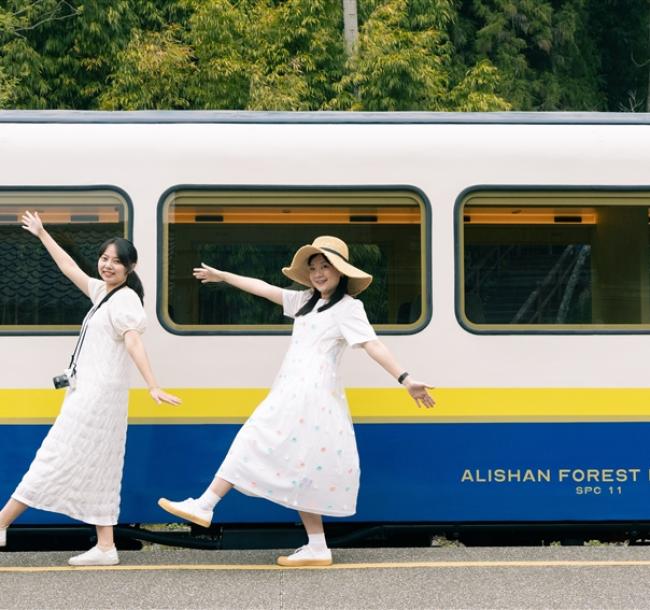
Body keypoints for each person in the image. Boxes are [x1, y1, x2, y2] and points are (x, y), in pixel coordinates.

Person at [158, 235, 434, 567]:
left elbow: (372, 345)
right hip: (295, 389)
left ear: (341, 272)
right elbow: (262, 288)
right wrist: (225, 276)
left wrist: (405, 379)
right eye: (314, 267)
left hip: (310, 392)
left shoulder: (349, 308)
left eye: (326, 267)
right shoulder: (305, 301)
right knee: (305, 466)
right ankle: (317, 545)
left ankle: (205, 503)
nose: (318, 274)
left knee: (253, 436)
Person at [0, 211, 181, 566]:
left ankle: (2, 522)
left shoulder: (126, 300)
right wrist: (42, 234)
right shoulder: (104, 293)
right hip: (92, 394)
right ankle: (106, 547)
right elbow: (70, 269)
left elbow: (133, 343)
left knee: (52, 456)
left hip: (97, 398)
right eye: (104, 258)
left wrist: (153, 385)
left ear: (131, 267)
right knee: (101, 464)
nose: (107, 265)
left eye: (116, 261)